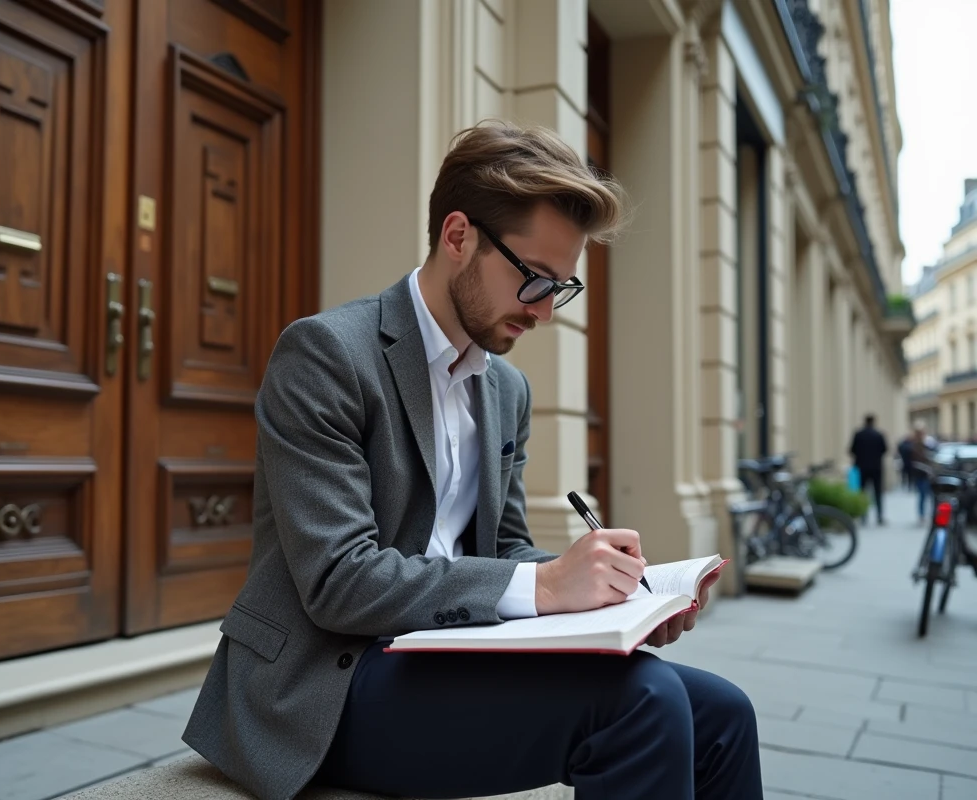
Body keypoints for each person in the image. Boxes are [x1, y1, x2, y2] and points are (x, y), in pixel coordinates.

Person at [182, 121, 762, 800]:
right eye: (536, 281)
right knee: (642, 704)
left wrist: (612, 597)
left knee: (725, 713)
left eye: (561, 289)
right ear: (458, 237)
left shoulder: (506, 388)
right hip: (326, 681)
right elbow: (338, 580)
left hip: (446, 651)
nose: (545, 313)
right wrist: (546, 588)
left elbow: (505, 546)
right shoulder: (326, 356)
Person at [850, 414, 888, 525]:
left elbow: (852, 450)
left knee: (862, 492)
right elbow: (885, 449)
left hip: (862, 467)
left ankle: (863, 516)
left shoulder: (858, 434)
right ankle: (879, 516)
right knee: (878, 493)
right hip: (876, 467)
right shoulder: (879, 435)